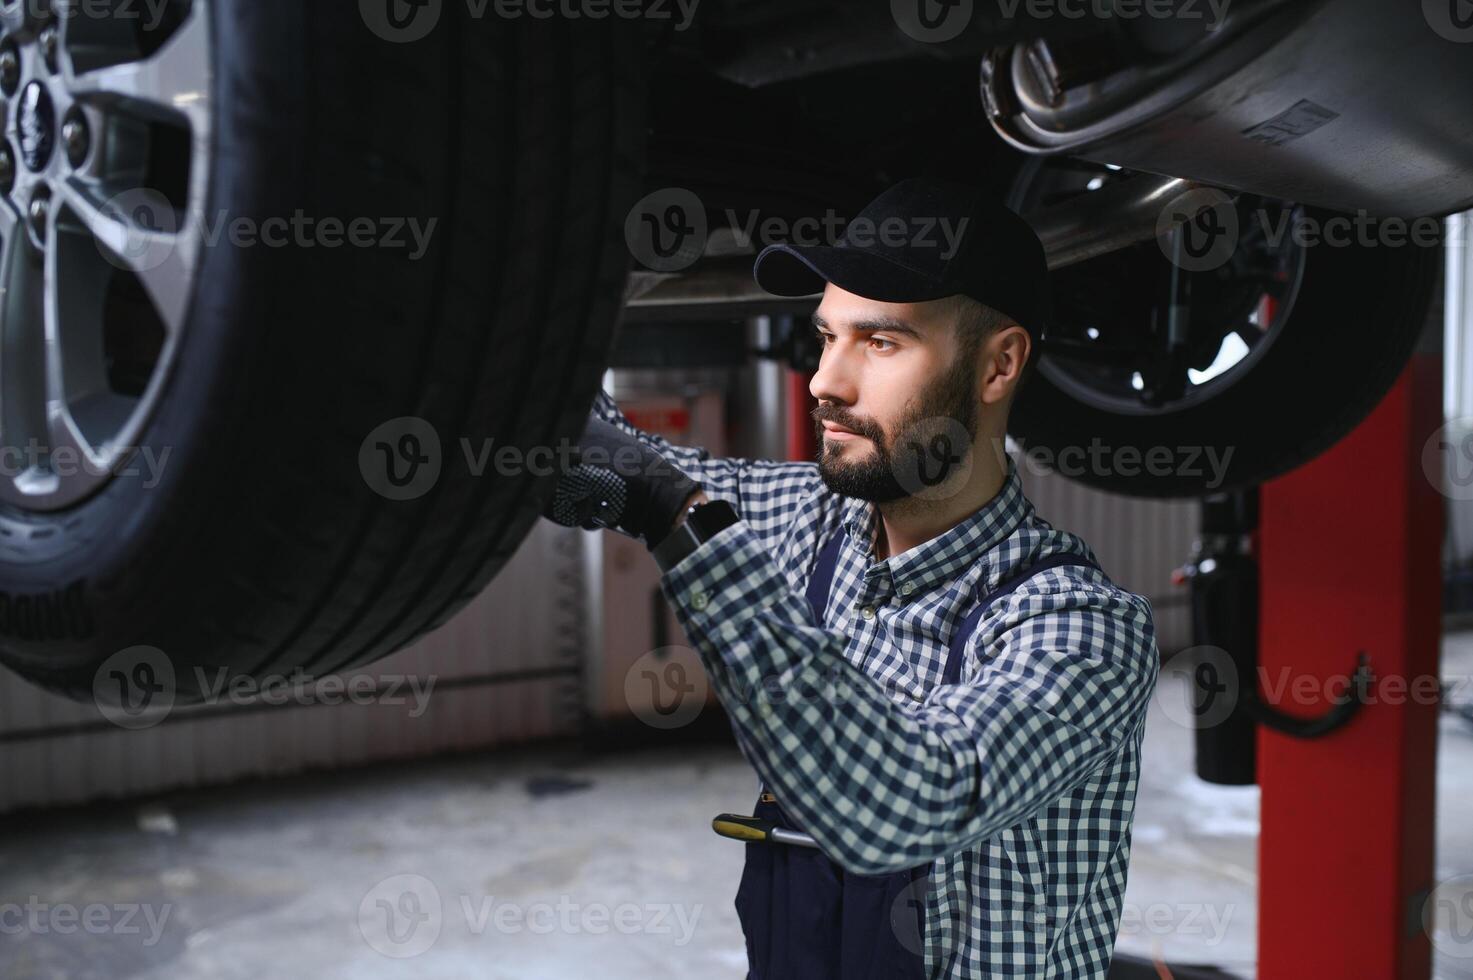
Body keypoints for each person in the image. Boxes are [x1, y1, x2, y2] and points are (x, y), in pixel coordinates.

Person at [542, 177, 1161, 979]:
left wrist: (680, 520)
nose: (826, 382)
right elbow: (626, 460)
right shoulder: (810, 519)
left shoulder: (1080, 627)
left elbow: (903, 806)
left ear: (998, 365)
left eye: (879, 342)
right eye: (826, 337)